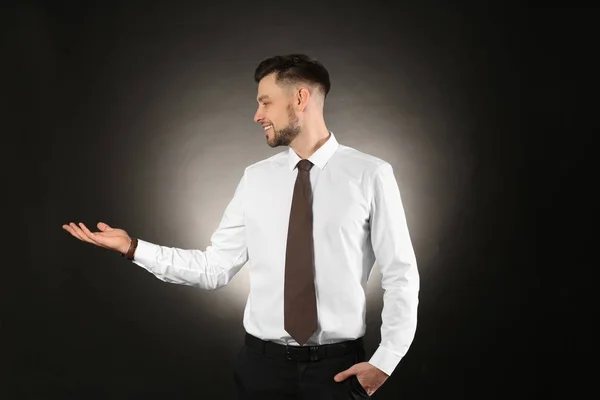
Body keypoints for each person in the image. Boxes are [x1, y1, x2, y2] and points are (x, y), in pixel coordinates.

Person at [62, 54, 420, 399]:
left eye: (266, 103)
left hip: (339, 372)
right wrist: (132, 247)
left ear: (300, 98)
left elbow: (399, 274)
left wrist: (385, 362)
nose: (257, 115)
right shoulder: (255, 178)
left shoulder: (371, 174)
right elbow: (215, 268)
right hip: (261, 371)